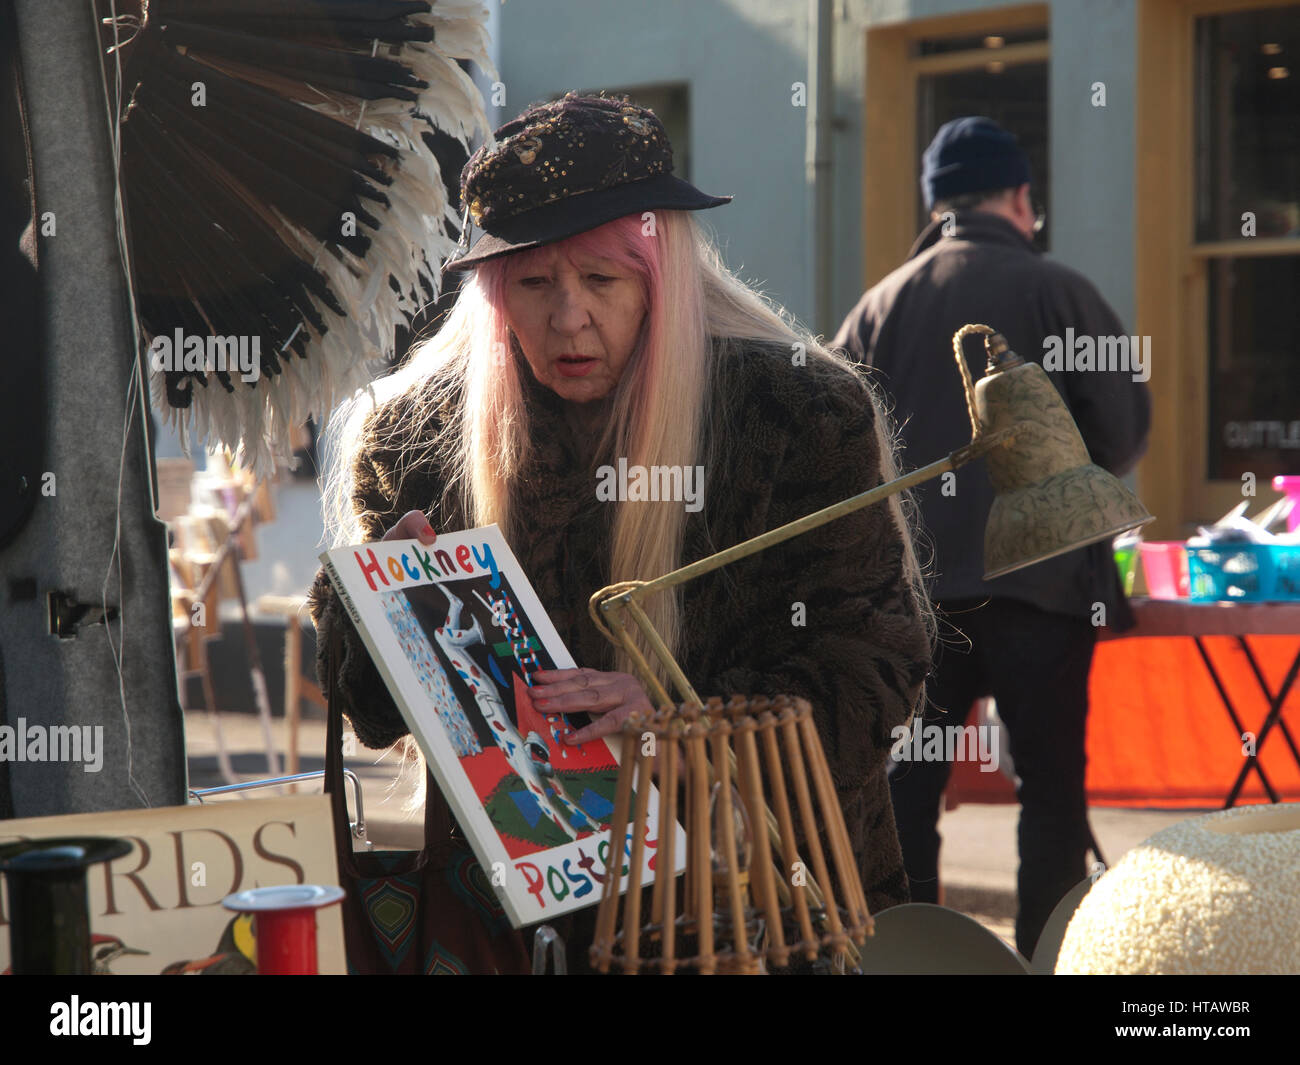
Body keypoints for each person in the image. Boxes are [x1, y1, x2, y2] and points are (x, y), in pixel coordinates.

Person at [308, 93, 933, 967]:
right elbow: (366, 711)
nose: (568, 318)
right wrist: (382, 609)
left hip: (766, 916)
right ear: (492, 292)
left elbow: (873, 673)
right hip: (510, 929)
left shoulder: (799, 412)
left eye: (601, 281)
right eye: (533, 284)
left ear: (661, 272)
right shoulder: (413, 439)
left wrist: (677, 728)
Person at [832, 116, 1150, 960]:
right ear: (1020, 199)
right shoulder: (1061, 292)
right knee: (1050, 792)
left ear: (937, 204)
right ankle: (1055, 956)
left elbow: (839, 454)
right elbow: (1116, 440)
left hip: (917, 604)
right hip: (1045, 597)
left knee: (906, 791)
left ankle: (906, 960)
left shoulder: (878, 305)